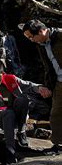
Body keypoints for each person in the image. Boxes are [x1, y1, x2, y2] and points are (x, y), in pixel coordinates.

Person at [0, 62, 50, 164]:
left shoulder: (11, 79)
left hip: (19, 117)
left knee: (23, 100)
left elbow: (29, 85)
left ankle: (21, 132)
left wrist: (39, 88)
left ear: (3, 73)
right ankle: (10, 151)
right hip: (2, 118)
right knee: (8, 113)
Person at [21, 19, 62, 155]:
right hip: (59, 83)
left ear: (41, 31)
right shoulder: (41, 45)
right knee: (56, 115)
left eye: (32, 37)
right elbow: (47, 68)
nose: (31, 40)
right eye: (28, 38)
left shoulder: (60, 36)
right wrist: (48, 87)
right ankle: (58, 146)